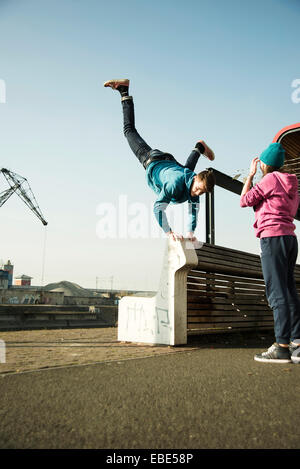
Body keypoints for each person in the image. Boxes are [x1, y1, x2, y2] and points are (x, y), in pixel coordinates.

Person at [104, 79, 216, 241]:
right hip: (152, 159)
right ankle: (124, 92)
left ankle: (198, 147)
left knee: (187, 169)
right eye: (198, 188)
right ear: (197, 178)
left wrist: (191, 232)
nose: (196, 193)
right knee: (129, 131)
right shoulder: (174, 184)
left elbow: (194, 211)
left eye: (201, 192)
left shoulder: (195, 184)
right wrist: (169, 232)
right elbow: (158, 208)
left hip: (172, 164)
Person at [240, 142, 300, 363]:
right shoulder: (292, 185)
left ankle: (281, 346)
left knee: (277, 293)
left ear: (265, 164)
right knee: (289, 290)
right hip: (290, 239)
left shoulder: (269, 179)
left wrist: (250, 176)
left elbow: (244, 200)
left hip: (272, 238)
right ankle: (297, 343)